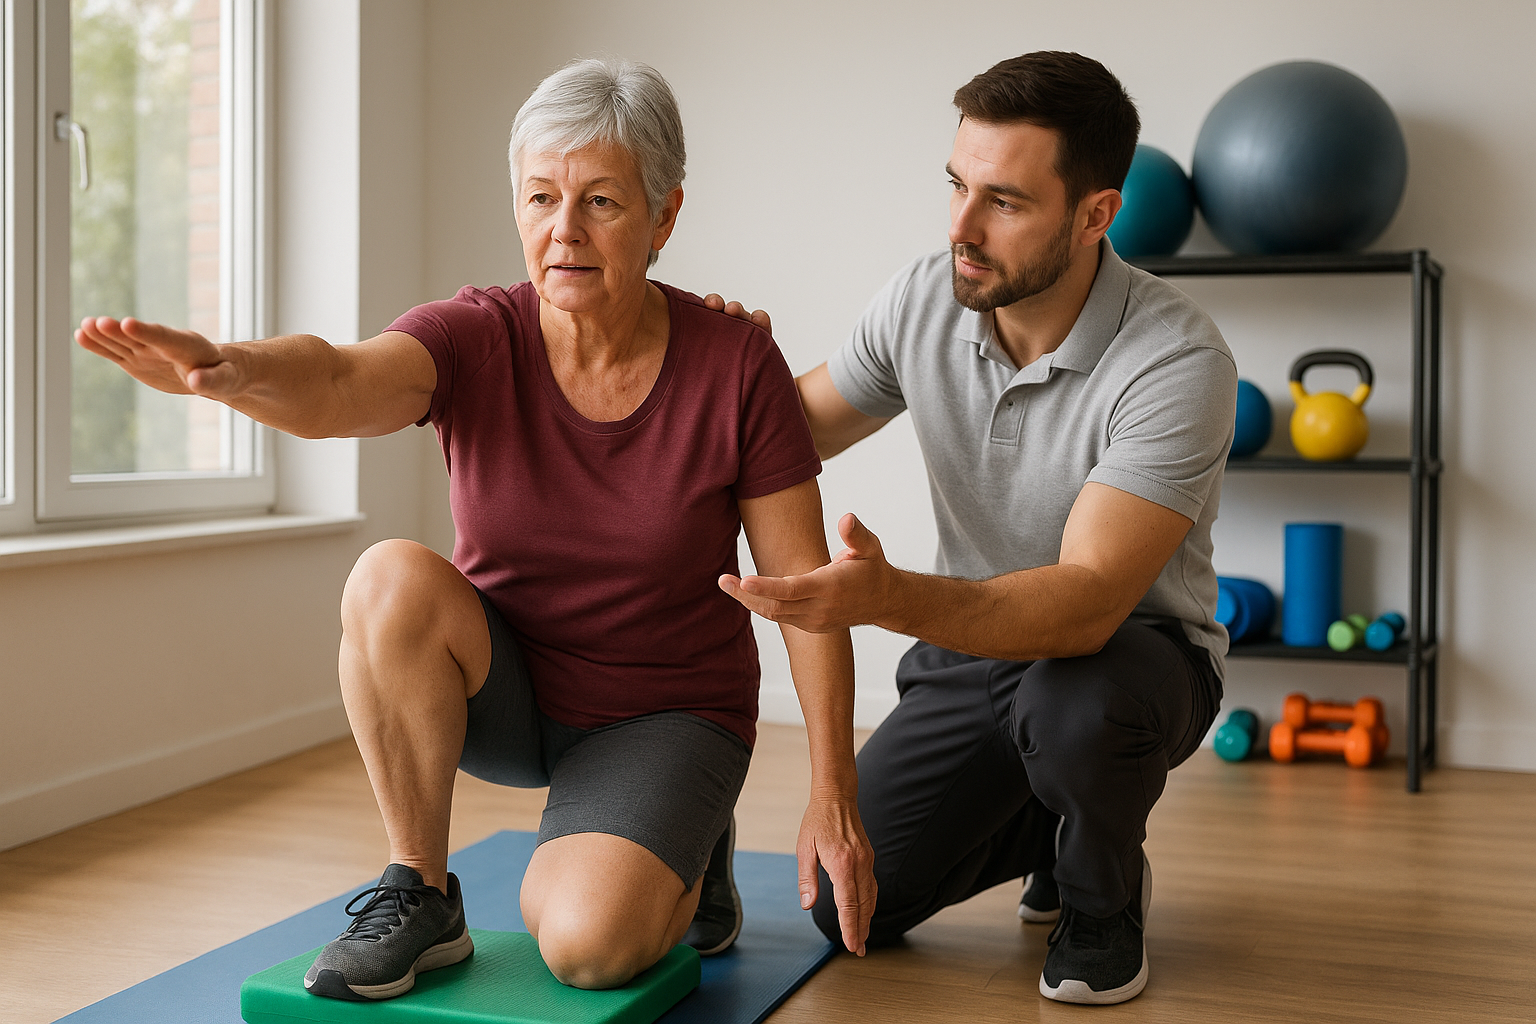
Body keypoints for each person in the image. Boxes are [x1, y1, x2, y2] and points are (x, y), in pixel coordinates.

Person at [75, 58, 875, 1000]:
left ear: (664, 216)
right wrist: (234, 368)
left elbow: (806, 594)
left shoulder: (736, 363)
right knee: (387, 576)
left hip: (664, 713)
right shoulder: (475, 335)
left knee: (586, 948)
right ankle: (419, 890)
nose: (563, 231)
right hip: (510, 691)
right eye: (540, 197)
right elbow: (339, 377)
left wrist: (832, 793)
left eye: (602, 203)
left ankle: (690, 841)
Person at [712, 51, 1235, 1005]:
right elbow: (791, 430)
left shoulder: (1176, 358)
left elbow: (1083, 607)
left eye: (1004, 201)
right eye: (956, 185)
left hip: (1129, 659)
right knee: (847, 905)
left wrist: (885, 599)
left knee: (1075, 712)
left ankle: (1101, 897)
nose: (960, 226)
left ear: (1094, 215)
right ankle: (1067, 820)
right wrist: (716, 368)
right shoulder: (927, 296)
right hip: (974, 661)